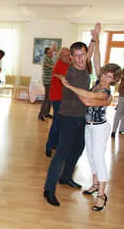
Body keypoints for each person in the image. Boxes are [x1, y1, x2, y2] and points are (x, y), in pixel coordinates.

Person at [56, 27, 121, 211]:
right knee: (91, 158)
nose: (106, 77)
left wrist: (68, 85)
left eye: (110, 77)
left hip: (100, 128)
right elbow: (96, 58)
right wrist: (96, 41)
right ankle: (94, 185)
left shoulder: (105, 93)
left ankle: (101, 195)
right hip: (89, 126)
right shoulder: (99, 81)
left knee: (99, 159)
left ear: (113, 80)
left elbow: (85, 98)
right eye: (105, 74)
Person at [43, 41, 90, 207]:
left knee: (78, 149)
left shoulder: (86, 68)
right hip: (67, 117)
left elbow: (90, 56)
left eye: (82, 55)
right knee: (61, 153)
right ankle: (49, 190)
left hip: (81, 117)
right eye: (76, 56)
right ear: (71, 57)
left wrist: (95, 40)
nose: (79, 59)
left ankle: (66, 177)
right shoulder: (67, 70)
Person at [44, 48, 71, 157]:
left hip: (65, 97)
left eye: (68, 55)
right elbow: (66, 80)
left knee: (61, 122)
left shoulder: (68, 64)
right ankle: (49, 146)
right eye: (64, 55)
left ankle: (55, 143)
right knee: (57, 121)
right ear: (60, 56)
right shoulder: (59, 65)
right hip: (57, 97)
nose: (67, 57)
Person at [38, 45, 57, 121]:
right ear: (46, 54)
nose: (51, 54)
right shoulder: (45, 59)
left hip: (51, 81)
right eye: (49, 53)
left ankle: (46, 113)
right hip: (47, 81)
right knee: (47, 99)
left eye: (51, 52)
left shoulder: (50, 58)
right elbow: (53, 66)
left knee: (50, 98)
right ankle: (41, 114)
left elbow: (54, 62)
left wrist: (54, 50)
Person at [111, 74, 124, 138]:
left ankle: (121, 129)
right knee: (118, 114)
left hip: (122, 97)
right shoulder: (123, 79)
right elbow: (120, 90)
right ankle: (114, 131)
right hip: (122, 97)